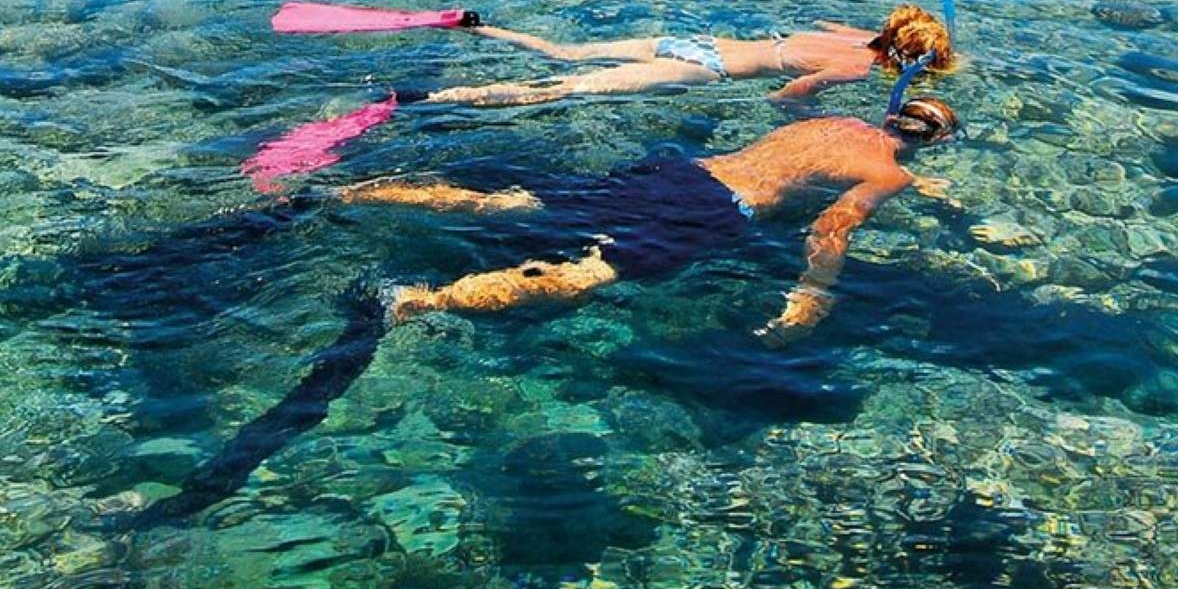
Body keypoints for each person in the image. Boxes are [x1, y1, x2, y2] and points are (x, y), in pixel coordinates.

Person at [335, 96, 961, 343]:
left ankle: (355, 194)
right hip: (713, 211)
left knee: (511, 202)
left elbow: (791, 111)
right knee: (593, 272)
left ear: (892, 116)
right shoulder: (889, 175)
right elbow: (830, 230)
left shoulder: (830, 123)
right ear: (932, 144)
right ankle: (422, 300)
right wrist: (813, 292)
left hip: (680, 173)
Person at [419, 4, 955, 107]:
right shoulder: (857, 67)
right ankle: (432, 98)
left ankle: (478, 28)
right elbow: (789, 94)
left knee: (565, 54)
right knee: (562, 91)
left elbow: (821, 25)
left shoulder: (856, 40)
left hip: (699, 41)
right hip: (704, 67)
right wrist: (800, 113)